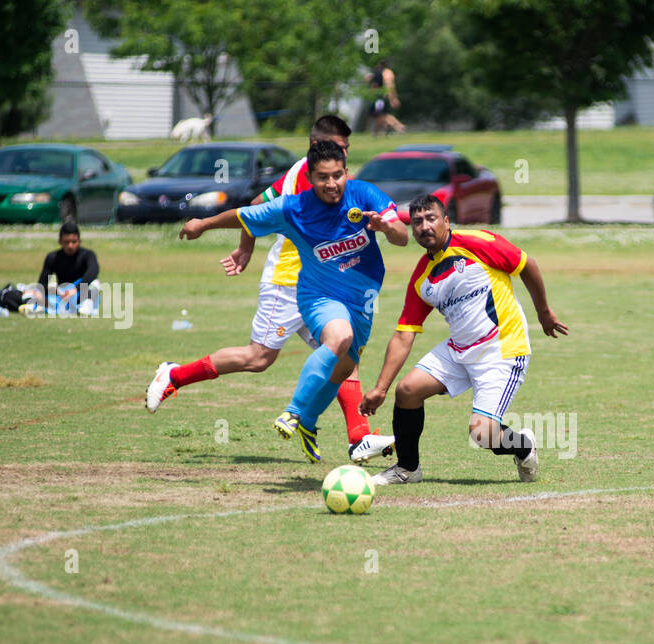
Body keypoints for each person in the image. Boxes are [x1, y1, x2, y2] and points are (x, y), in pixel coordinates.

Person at [144, 115, 395, 464]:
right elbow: (255, 210)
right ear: (315, 150)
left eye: (345, 154)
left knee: (343, 354)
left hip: (328, 285)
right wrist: (242, 243)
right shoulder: (299, 178)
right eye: (337, 149)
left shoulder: (339, 182)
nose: (341, 166)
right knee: (258, 358)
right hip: (288, 282)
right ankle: (174, 374)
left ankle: (356, 437)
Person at [359, 194, 567, 485]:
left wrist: (544, 312)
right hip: (459, 349)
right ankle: (407, 469)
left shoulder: (478, 243)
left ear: (446, 221)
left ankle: (523, 445)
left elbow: (526, 264)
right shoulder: (422, 276)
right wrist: (381, 388)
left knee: (482, 434)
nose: (424, 226)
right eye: (417, 221)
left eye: (431, 218)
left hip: (502, 349)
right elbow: (404, 333)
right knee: (407, 391)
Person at [32, 222, 99, 312]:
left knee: (95, 283)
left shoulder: (88, 255)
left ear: (79, 241)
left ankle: (85, 305)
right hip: (63, 295)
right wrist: (53, 291)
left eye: (74, 242)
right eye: (66, 242)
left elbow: (93, 271)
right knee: (38, 293)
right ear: (60, 241)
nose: (70, 245)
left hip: (81, 292)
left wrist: (75, 289)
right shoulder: (53, 258)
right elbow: (42, 283)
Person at [368, 60, 406, 136]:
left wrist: (393, 98)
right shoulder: (378, 73)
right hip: (378, 96)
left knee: (380, 114)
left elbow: (389, 86)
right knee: (378, 114)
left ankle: (399, 126)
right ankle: (377, 132)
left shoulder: (386, 73)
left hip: (380, 97)